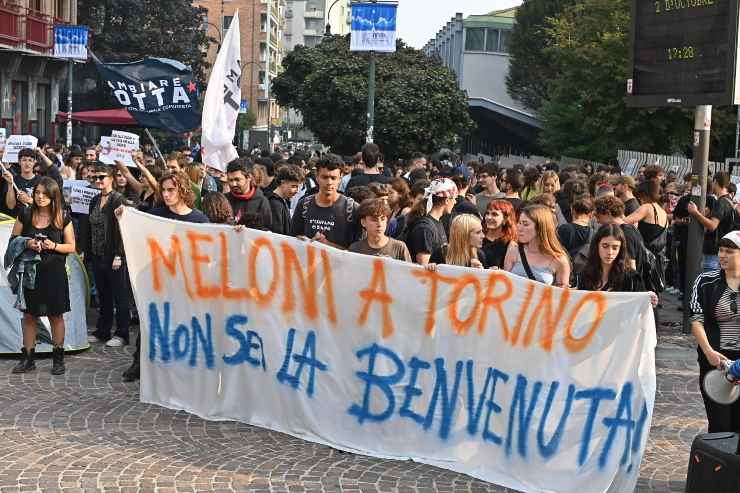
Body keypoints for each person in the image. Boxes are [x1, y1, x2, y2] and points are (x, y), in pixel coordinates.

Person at [120, 171, 209, 383]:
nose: (167, 194)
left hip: (184, 281)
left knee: (182, 321)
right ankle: (140, 362)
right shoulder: (156, 214)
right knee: (150, 319)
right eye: (164, 190)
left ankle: (181, 365)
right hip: (158, 279)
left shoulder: (198, 219)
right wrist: (125, 215)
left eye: (172, 190)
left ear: (183, 190)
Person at [9, 177, 75, 375]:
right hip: (30, 273)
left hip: (54, 272)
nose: (39, 197)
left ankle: (58, 358)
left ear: (53, 196)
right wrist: (27, 244)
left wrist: (53, 246)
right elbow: (13, 240)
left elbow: (71, 246)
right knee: (29, 315)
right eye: (37, 193)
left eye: (44, 194)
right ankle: (28, 358)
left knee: (56, 315)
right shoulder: (26, 214)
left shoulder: (62, 216)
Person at [689, 230, 740, 432]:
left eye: (729, 251)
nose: (722, 255)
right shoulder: (705, 281)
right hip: (715, 364)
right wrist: (709, 351)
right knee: (719, 426)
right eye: (720, 250)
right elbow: (695, 319)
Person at [87, 166, 131, 348]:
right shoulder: (95, 200)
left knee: (120, 295)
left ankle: (122, 333)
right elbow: (90, 226)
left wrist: (119, 255)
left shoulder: (118, 199)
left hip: (114, 254)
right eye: (95, 177)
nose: (98, 180)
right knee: (103, 295)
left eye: (102, 177)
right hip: (98, 254)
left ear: (111, 178)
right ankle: (103, 330)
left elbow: (123, 229)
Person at [291, 154, 359, 249]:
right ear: (317, 177)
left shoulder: (352, 209)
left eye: (333, 178)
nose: (329, 182)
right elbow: (292, 240)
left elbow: (357, 253)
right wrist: (300, 241)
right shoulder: (303, 205)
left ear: (340, 178)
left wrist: (326, 244)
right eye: (325, 177)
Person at [577, 224, 657, 300]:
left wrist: (649, 299)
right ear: (597, 246)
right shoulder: (585, 274)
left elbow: (641, 306)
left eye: (615, 248)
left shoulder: (631, 278)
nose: (610, 252)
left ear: (620, 249)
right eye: (605, 246)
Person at [504, 204, 570, 287]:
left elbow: (561, 295)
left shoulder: (559, 259)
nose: (519, 228)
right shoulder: (514, 251)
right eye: (519, 222)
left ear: (540, 228)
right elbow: (505, 284)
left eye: (525, 224)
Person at [688, 171, 735, 272]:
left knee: (709, 285)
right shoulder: (729, 202)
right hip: (724, 251)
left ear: (716, 182)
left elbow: (713, 226)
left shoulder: (721, 202)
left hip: (714, 253)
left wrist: (695, 213)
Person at [404, 178, 457, 265]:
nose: (455, 202)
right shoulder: (425, 228)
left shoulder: (438, 221)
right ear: (447, 200)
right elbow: (423, 267)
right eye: (454, 198)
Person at [225, 159, 273, 230]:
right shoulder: (224, 199)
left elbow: (267, 231)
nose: (233, 184)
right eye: (230, 180)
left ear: (249, 177)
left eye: (237, 180)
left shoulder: (261, 202)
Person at [267, 164, 304, 235]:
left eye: (298, 187)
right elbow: (278, 234)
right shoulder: (275, 204)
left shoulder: (282, 201)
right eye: (293, 186)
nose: (297, 190)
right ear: (283, 182)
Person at [3, 148, 41, 215]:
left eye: (30, 160)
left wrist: (29, 200)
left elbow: (46, 205)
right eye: (24, 160)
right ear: (19, 162)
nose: (27, 163)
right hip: (17, 220)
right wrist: (10, 184)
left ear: (34, 162)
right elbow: (10, 206)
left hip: (35, 219)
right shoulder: (13, 179)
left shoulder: (41, 181)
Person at [482, 199, 517, 269]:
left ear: (506, 219)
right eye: (487, 213)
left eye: (494, 214)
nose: (489, 217)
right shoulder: (478, 235)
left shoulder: (510, 245)